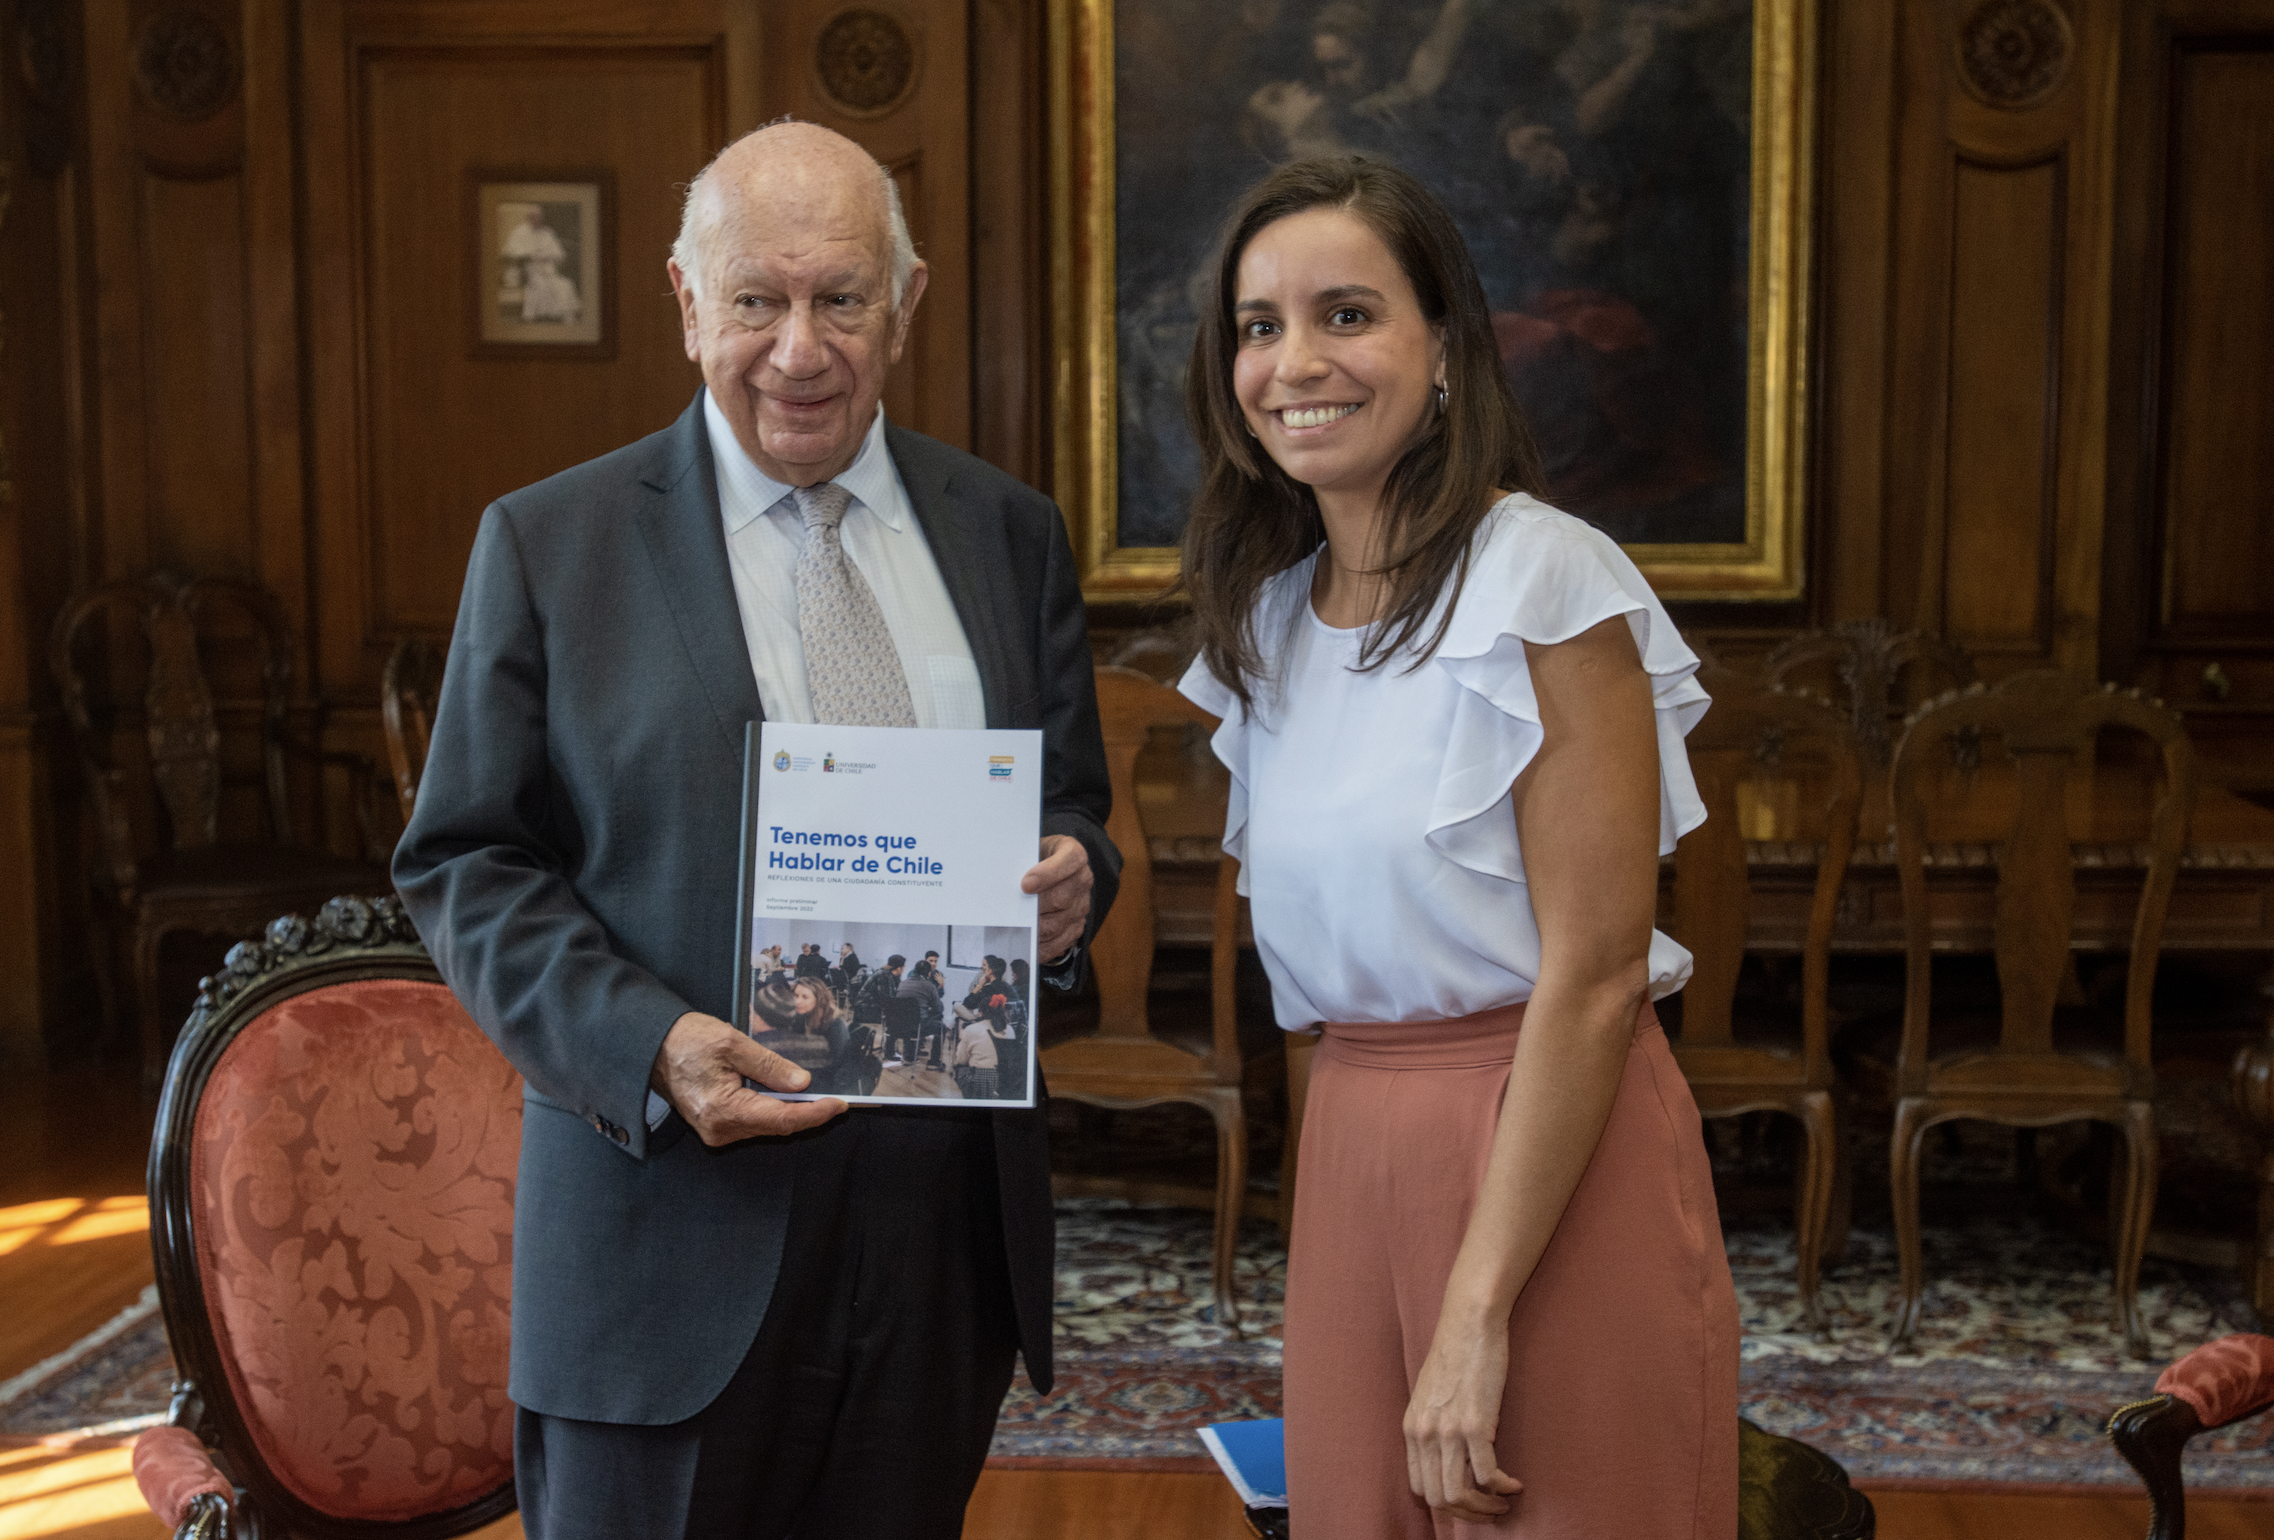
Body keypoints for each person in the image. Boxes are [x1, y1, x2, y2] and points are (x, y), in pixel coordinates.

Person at [393, 120, 1120, 1540]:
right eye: (757, 300)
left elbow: (1070, 804)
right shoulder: (554, 544)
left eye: (842, 298)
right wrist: (649, 1046)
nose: (800, 348)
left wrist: (1071, 878)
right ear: (685, 302)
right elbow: (465, 860)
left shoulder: (1009, 534)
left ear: (905, 305)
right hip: (667, 1234)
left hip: (935, 1246)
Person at [1175, 155, 1734, 1538]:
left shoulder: (1544, 577)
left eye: (1346, 314)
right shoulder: (1270, 619)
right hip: (1355, 1146)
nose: (1294, 361)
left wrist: (1476, 1311)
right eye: (1259, 326)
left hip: (1547, 1147)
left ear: (1444, 351)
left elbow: (1599, 975)